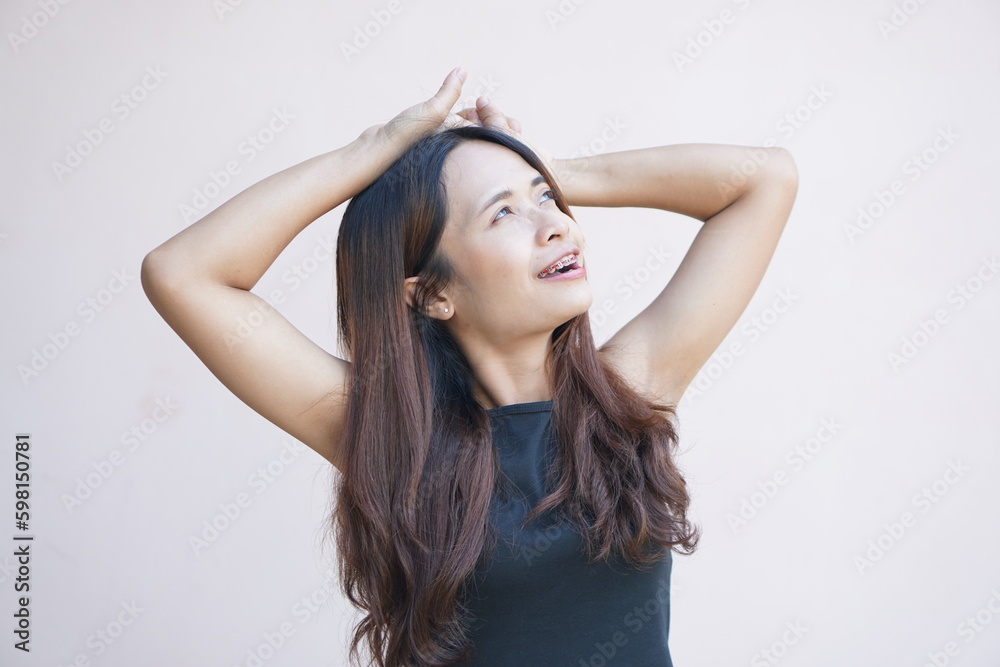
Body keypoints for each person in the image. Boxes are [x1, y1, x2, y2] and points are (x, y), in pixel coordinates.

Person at [141, 67, 798, 666]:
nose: (556, 225)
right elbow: (185, 273)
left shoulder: (628, 393)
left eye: (549, 200)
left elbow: (763, 178)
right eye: (504, 213)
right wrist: (369, 152)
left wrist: (542, 169)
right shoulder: (392, 436)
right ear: (430, 292)